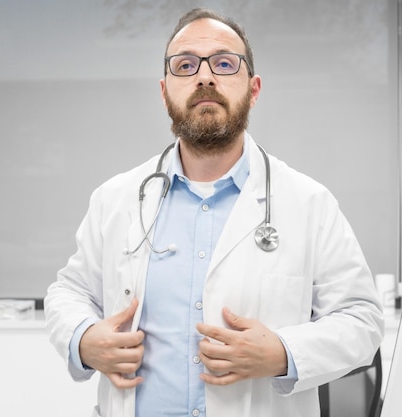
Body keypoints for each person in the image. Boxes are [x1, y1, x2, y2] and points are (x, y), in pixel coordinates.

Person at [44, 8, 384, 417]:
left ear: (253, 89)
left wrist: (283, 352)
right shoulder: (115, 198)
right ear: (165, 90)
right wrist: (82, 338)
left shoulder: (309, 203)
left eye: (224, 63)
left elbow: (361, 319)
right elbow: (70, 291)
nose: (205, 76)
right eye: (185, 65)